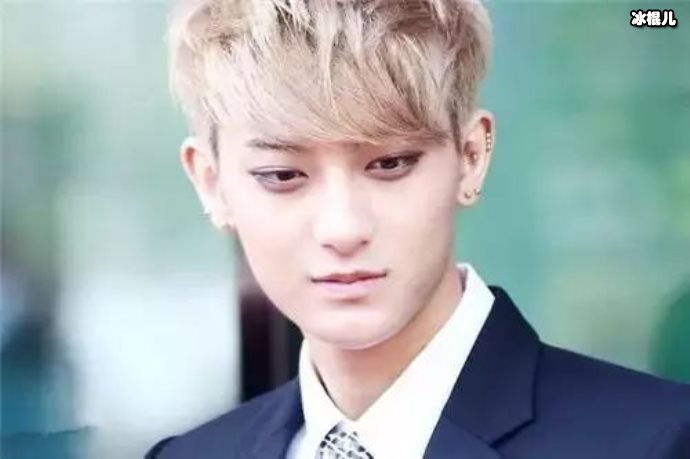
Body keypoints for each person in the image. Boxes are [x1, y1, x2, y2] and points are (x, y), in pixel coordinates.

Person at [147, 0, 690, 457]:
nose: (342, 228)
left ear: (472, 156)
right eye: (283, 175)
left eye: (390, 164)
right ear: (211, 183)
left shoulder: (657, 441)